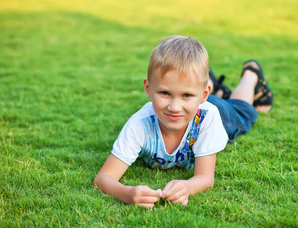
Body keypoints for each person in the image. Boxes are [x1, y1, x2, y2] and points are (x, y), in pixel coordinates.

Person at [93, 35, 273, 208]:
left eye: (186, 95)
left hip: (216, 113)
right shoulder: (140, 124)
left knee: (243, 111)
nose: (174, 107)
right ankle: (206, 83)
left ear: (203, 95)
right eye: (165, 93)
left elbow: (205, 177)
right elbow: (103, 178)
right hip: (196, 103)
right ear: (148, 89)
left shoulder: (208, 118)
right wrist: (127, 193)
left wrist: (188, 187)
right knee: (193, 89)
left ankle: (251, 74)